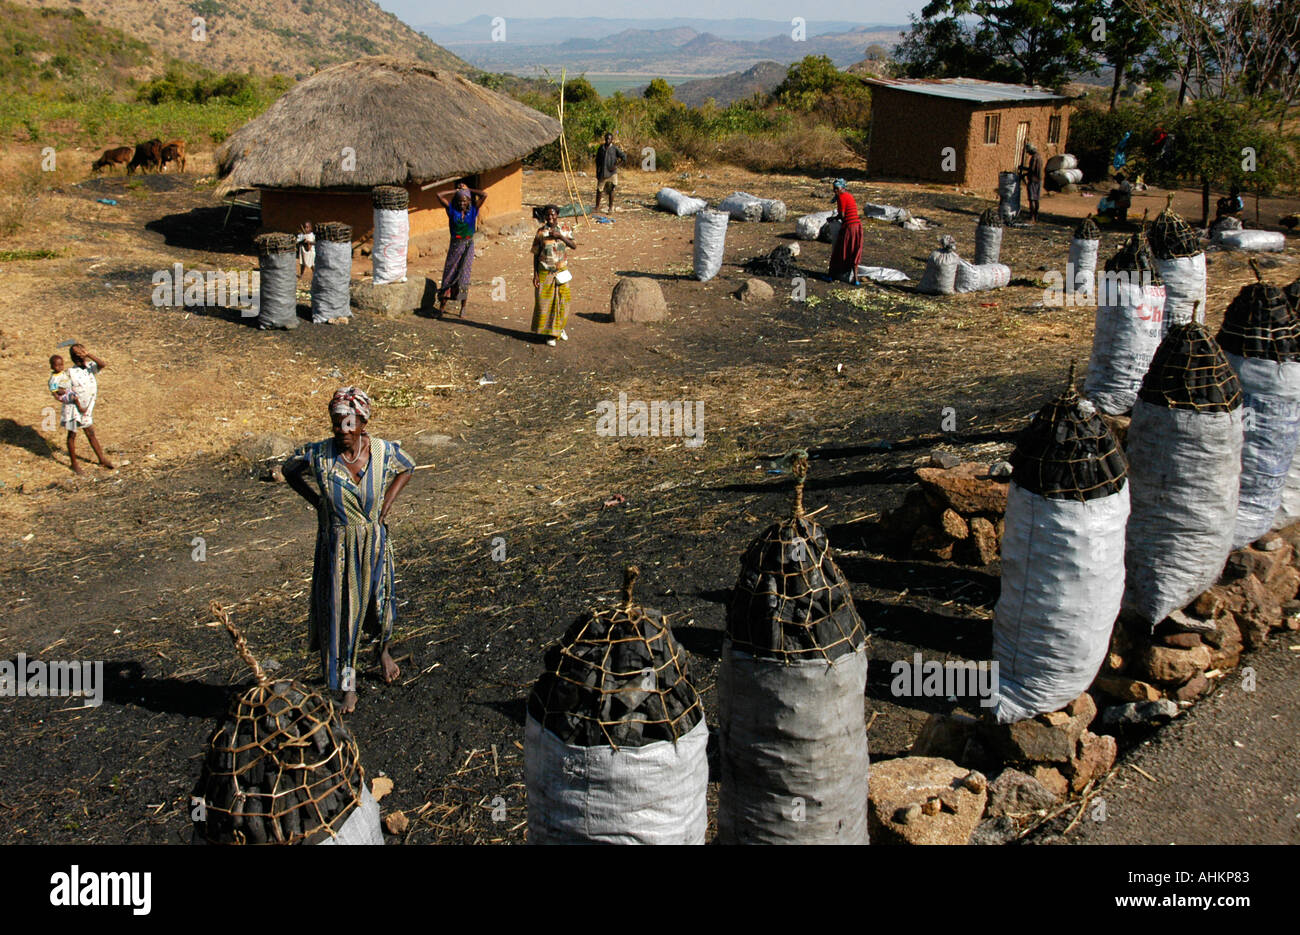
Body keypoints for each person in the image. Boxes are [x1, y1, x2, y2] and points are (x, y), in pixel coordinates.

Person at [282, 387, 415, 714]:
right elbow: (288, 470)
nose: (343, 430)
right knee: (343, 618)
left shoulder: (383, 452)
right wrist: (316, 502)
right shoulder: (319, 456)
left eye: (350, 422)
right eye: (337, 422)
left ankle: (383, 651)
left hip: (374, 542)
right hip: (338, 550)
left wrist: (386, 504)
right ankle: (348, 686)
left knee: (380, 606)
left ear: (363, 423)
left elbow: (409, 466)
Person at [53, 345, 113, 474]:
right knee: (72, 434)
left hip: (86, 408)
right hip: (72, 407)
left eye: (81, 354)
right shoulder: (70, 373)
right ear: (74, 358)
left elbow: (103, 364)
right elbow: (59, 390)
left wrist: (89, 354)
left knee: (90, 432)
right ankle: (74, 464)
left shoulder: (90, 367)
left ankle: (102, 459)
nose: (80, 358)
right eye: (78, 355)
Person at [431, 183, 487, 317]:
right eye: (459, 200)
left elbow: (484, 195)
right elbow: (439, 195)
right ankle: (442, 308)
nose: (462, 203)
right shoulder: (452, 211)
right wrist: (455, 191)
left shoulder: (473, 210)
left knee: (464, 275)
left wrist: (468, 189)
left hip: (468, 245)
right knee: (449, 274)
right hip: (455, 245)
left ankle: (463, 307)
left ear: (469, 201)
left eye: (464, 200)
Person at [531, 205, 577, 347]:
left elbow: (574, 246)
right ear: (544, 217)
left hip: (562, 271)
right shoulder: (541, 232)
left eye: (553, 215)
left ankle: (559, 329)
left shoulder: (565, 229)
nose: (550, 218)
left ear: (557, 215)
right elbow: (536, 254)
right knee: (545, 304)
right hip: (545, 272)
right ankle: (550, 334)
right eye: (547, 215)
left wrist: (561, 237)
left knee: (564, 301)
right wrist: (535, 275)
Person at [828, 178, 863, 284]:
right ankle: (856, 279)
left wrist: (833, 219)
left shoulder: (842, 197)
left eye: (837, 188)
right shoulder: (849, 196)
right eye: (834, 189)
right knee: (853, 251)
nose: (835, 191)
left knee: (840, 250)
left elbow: (842, 215)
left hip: (850, 227)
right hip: (857, 227)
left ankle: (832, 276)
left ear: (842, 188)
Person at [594, 132, 626, 213]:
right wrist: (597, 172)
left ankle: (610, 207)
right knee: (599, 190)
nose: (607, 140)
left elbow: (624, 157)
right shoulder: (601, 148)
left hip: (612, 173)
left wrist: (616, 166)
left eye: (609, 139)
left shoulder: (615, 149)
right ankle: (597, 207)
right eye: (606, 138)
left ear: (612, 140)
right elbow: (597, 160)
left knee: (611, 190)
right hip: (602, 172)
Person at [1020, 143, 1044, 223]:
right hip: (1039, 180)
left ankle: (1032, 217)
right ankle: (1036, 216)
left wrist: (1024, 171)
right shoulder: (1039, 157)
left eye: (1028, 151)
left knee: (1032, 199)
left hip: (1033, 180)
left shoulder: (1034, 158)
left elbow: (1032, 170)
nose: (1027, 153)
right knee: (1036, 199)